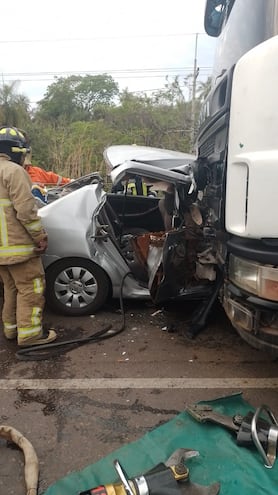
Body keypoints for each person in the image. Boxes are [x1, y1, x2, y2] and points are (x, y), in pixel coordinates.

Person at [0, 126, 57, 346]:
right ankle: (31, 335)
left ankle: (12, 331)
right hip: (19, 249)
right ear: (16, 151)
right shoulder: (14, 172)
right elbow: (26, 211)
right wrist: (40, 237)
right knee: (31, 290)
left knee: (11, 289)